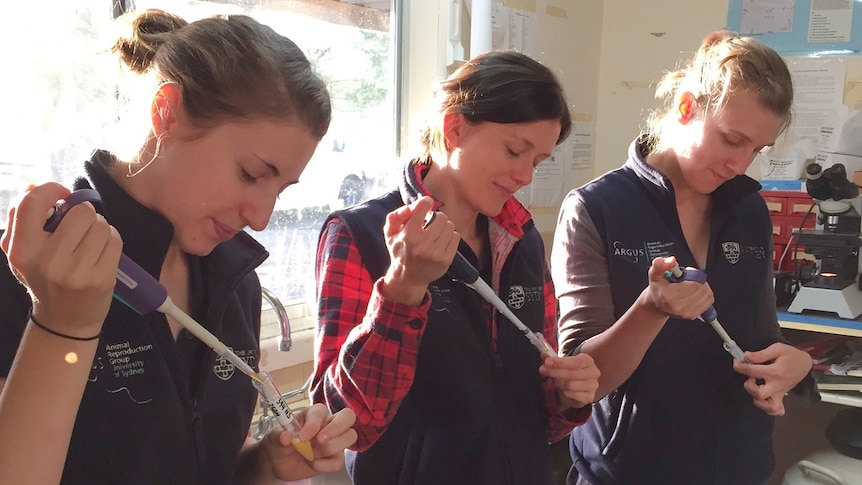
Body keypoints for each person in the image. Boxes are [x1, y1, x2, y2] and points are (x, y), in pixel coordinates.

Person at [0, 9, 357, 485]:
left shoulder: (234, 282)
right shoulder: (30, 266)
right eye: (250, 174)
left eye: (281, 190)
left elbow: (199, 455)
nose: (262, 217)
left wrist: (262, 465)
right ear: (166, 112)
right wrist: (61, 326)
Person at [311, 50, 602, 485]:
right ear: (454, 128)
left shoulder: (522, 240)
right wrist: (403, 287)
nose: (525, 175)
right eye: (514, 151)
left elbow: (542, 418)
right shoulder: (361, 233)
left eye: (537, 161)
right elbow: (345, 421)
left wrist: (567, 395)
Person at [550, 30, 817, 485]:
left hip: (739, 465)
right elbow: (579, 384)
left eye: (757, 149)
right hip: (631, 469)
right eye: (732, 139)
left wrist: (793, 366)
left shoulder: (748, 207)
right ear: (687, 106)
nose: (741, 163)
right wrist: (650, 310)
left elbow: (760, 333)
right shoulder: (596, 209)